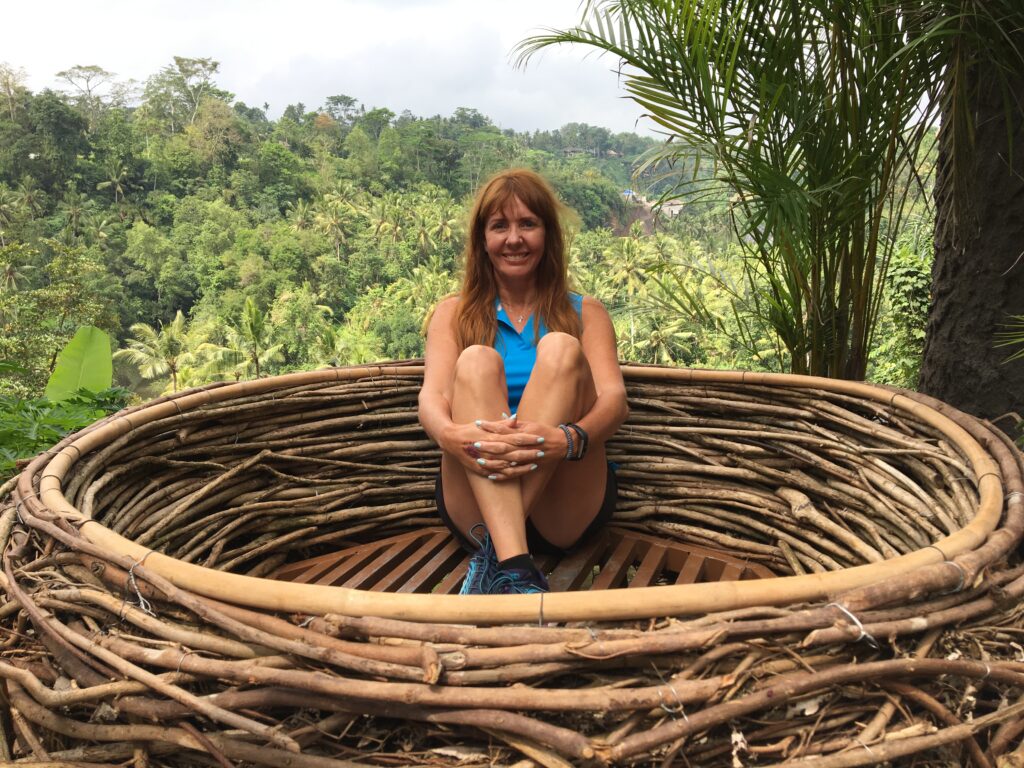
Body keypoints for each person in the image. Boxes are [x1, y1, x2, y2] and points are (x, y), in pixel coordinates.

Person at [418, 168, 629, 595]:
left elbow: (614, 401)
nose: (514, 239)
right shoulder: (452, 314)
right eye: (500, 226)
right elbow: (432, 398)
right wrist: (452, 436)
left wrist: (565, 440)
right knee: (476, 360)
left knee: (562, 350)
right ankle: (513, 563)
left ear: (547, 235)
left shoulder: (586, 313)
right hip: (474, 502)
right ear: (482, 240)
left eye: (527, 224)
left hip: (565, 503)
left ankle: (497, 562)